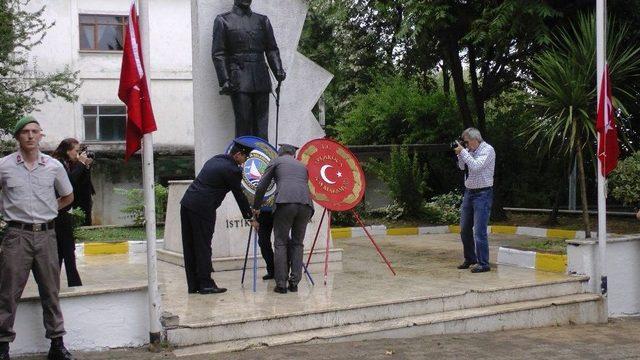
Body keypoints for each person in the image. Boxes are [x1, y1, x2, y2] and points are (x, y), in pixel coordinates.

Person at [0, 116, 75, 359]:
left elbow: (68, 196)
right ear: (18, 137)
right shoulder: (5, 166)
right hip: (16, 236)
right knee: (8, 291)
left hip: (46, 235)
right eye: (25, 132)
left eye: (35, 131)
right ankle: (2, 345)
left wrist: (49, 209)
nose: (30, 136)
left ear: (41, 135)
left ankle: (57, 345)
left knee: (51, 290)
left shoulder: (53, 166)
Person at [180, 139, 258, 295]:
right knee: (203, 245)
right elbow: (239, 195)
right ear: (237, 155)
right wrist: (250, 218)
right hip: (203, 209)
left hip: (187, 203)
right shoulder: (232, 170)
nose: (245, 161)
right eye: (245, 157)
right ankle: (206, 284)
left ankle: (193, 284)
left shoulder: (215, 159)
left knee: (190, 246)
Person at [211, 0, 286, 141]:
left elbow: (271, 49)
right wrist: (225, 79)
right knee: (243, 124)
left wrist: (278, 69)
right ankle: (243, 160)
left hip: (261, 77)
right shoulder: (223, 20)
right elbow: (218, 53)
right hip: (239, 80)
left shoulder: (262, 20)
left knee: (262, 125)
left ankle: (263, 159)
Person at [253, 144, 314, 294]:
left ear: (280, 153)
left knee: (280, 243)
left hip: (285, 203)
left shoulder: (276, 161)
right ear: (293, 154)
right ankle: (294, 283)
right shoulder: (302, 166)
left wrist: (256, 206)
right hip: (306, 205)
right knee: (298, 244)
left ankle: (281, 284)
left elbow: (261, 186)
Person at [454, 127, 496, 274]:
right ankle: (470, 258)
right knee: (464, 229)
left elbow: (476, 166)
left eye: (466, 142)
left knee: (479, 231)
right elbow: (461, 167)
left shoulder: (487, 150)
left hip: (483, 194)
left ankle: (483, 263)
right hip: (469, 193)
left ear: (474, 139)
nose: (465, 145)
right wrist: (460, 154)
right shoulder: (469, 151)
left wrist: (463, 152)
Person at [52, 138, 92, 287]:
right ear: (67, 150)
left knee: (65, 251)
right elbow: (67, 183)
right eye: (76, 151)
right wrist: (80, 164)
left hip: (63, 213)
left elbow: (81, 186)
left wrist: (85, 167)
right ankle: (70, 283)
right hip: (57, 212)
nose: (77, 154)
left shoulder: (68, 164)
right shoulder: (57, 164)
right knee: (64, 251)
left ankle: (69, 283)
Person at [71, 144, 95, 226]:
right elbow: (74, 177)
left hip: (86, 194)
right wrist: (80, 162)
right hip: (76, 194)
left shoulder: (83, 162)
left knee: (87, 216)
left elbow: (87, 178)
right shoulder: (72, 162)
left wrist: (87, 165)